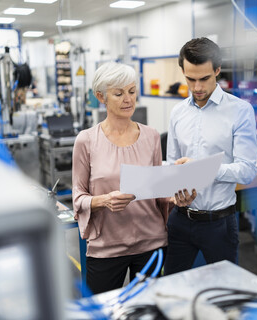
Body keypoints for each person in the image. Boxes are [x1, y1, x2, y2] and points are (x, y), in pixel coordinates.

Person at [72, 62, 178, 294]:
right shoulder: (86, 140)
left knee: (149, 310)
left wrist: (176, 195)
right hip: (107, 247)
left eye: (131, 91)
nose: (128, 99)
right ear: (101, 97)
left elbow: (158, 192)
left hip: (152, 243)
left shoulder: (150, 136)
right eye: (118, 94)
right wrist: (104, 200)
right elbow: (78, 198)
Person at [164, 37, 257, 275]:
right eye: (190, 79)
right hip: (180, 220)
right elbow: (172, 164)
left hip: (219, 224)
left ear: (217, 70)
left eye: (204, 79)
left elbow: (247, 171)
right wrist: (174, 192)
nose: (197, 87)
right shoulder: (177, 113)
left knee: (225, 294)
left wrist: (204, 169)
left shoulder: (240, 111)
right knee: (172, 290)